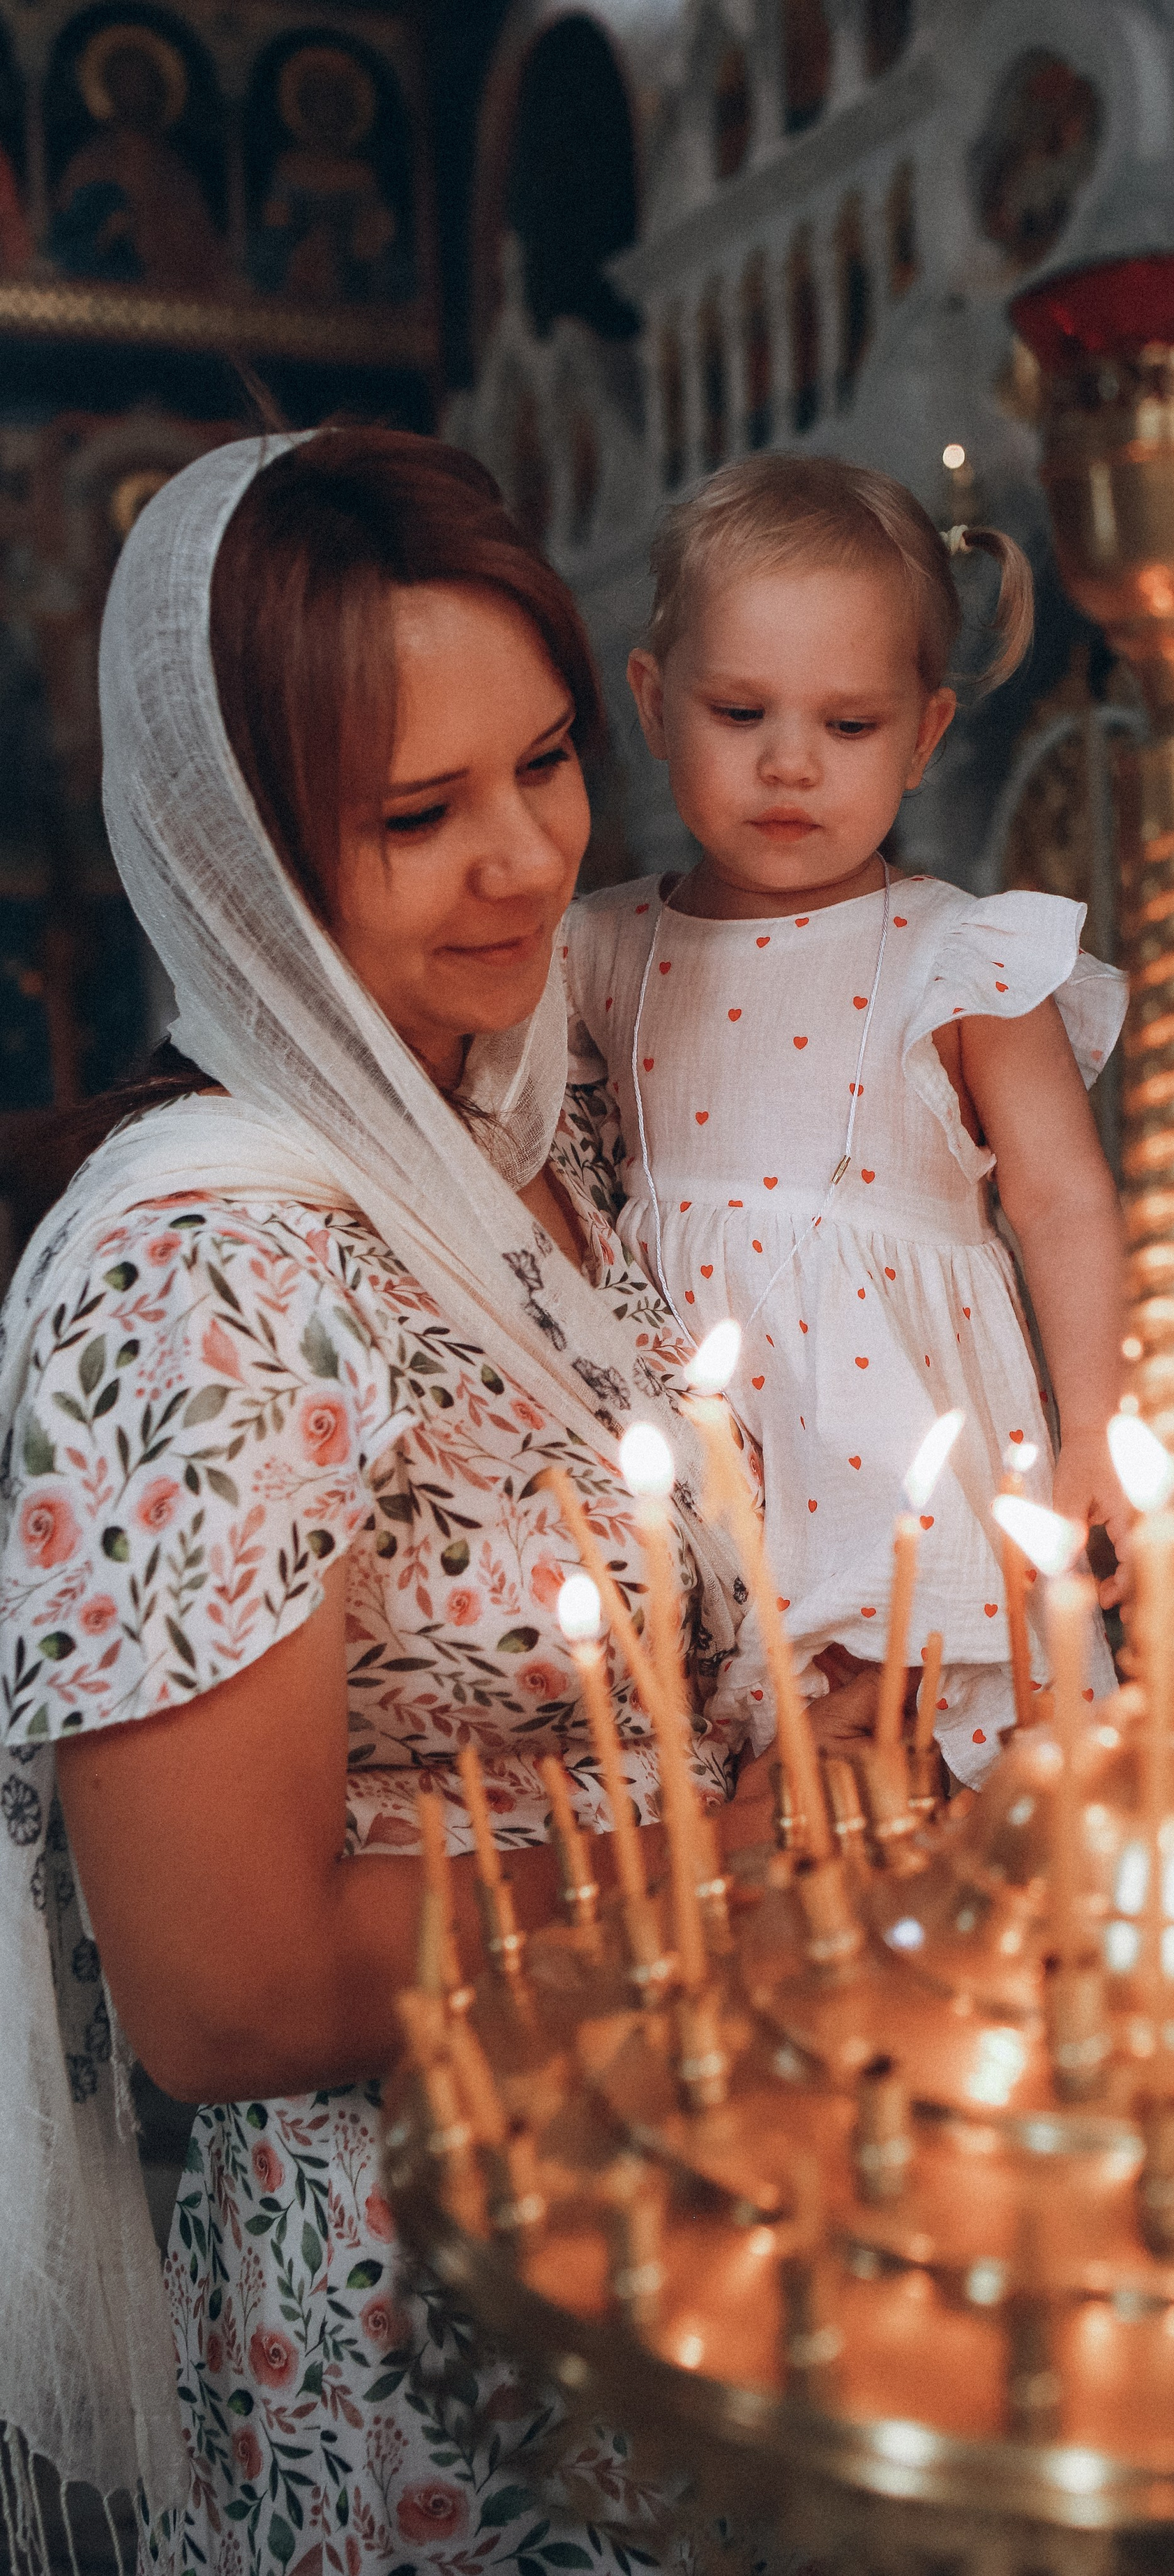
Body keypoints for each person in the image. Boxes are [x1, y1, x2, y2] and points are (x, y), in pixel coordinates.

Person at [0, 428, 872, 2576]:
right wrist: (738, 1848)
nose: (522, 864)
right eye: (415, 816)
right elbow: (227, 1980)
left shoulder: (525, 1121)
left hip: (703, 2195)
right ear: (237, 851)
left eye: (551, 763)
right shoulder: (205, 1263)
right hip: (423, 2322)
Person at [566, 454, 1130, 1788]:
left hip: (899, 1436)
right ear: (654, 702)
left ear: (927, 735)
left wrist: (1097, 1420)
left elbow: (1060, 1200)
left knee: (923, 1778)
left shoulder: (961, 957)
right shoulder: (600, 948)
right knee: (736, 1800)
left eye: (850, 726)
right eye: (741, 709)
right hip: (691, 1441)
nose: (789, 764)